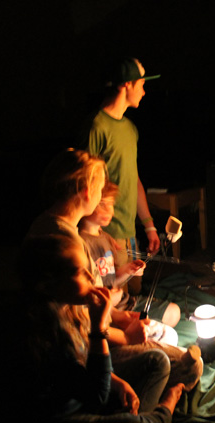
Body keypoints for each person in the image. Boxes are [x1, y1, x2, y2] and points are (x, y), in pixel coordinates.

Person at [0, 234, 185, 423]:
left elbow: (88, 364)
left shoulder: (70, 309)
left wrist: (118, 384)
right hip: (61, 414)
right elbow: (96, 394)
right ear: (48, 284)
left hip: (82, 392)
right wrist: (99, 328)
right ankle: (163, 413)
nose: (89, 276)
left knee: (157, 360)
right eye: (78, 271)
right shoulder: (42, 333)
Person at [25, 148, 151, 347]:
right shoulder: (68, 243)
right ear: (87, 192)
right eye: (100, 190)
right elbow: (80, 324)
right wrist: (127, 338)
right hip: (83, 344)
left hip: (93, 329)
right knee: (166, 362)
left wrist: (117, 315)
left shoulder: (45, 223)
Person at [85, 56, 161, 296]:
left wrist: (148, 225)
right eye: (141, 84)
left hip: (129, 234)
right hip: (107, 235)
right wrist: (98, 236)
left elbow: (133, 177)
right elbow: (84, 184)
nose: (144, 91)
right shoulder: (97, 127)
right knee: (112, 295)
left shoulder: (129, 129)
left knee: (135, 292)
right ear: (126, 84)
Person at [79, 180, 181, 342]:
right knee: (167, 337)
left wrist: (128, 270)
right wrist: (109, 303)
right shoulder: (79, 244)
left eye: (111, 204)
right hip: (106, 315)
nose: (109, 210)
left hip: (125, 304)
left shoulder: (105, 238)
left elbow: (112, 280)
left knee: (174, 312)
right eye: (102, 205)